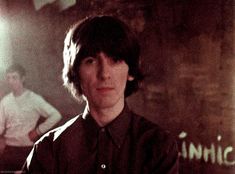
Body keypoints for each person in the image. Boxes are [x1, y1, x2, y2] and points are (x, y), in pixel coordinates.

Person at [23, 15, 179, 174]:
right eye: (90, 61)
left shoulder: (158, 146)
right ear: (76, 72)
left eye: (115, 60)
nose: (104, 74)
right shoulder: (48, 150)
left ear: (130, 71)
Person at [0, 64, 62, 172]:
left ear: (23, 78)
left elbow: (56, 115)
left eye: (14, 77)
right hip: (9, 150)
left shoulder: (34, 99)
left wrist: (38, 131)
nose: (11, 81)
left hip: (27, 149)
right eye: (8, 78)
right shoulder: (5, 101)